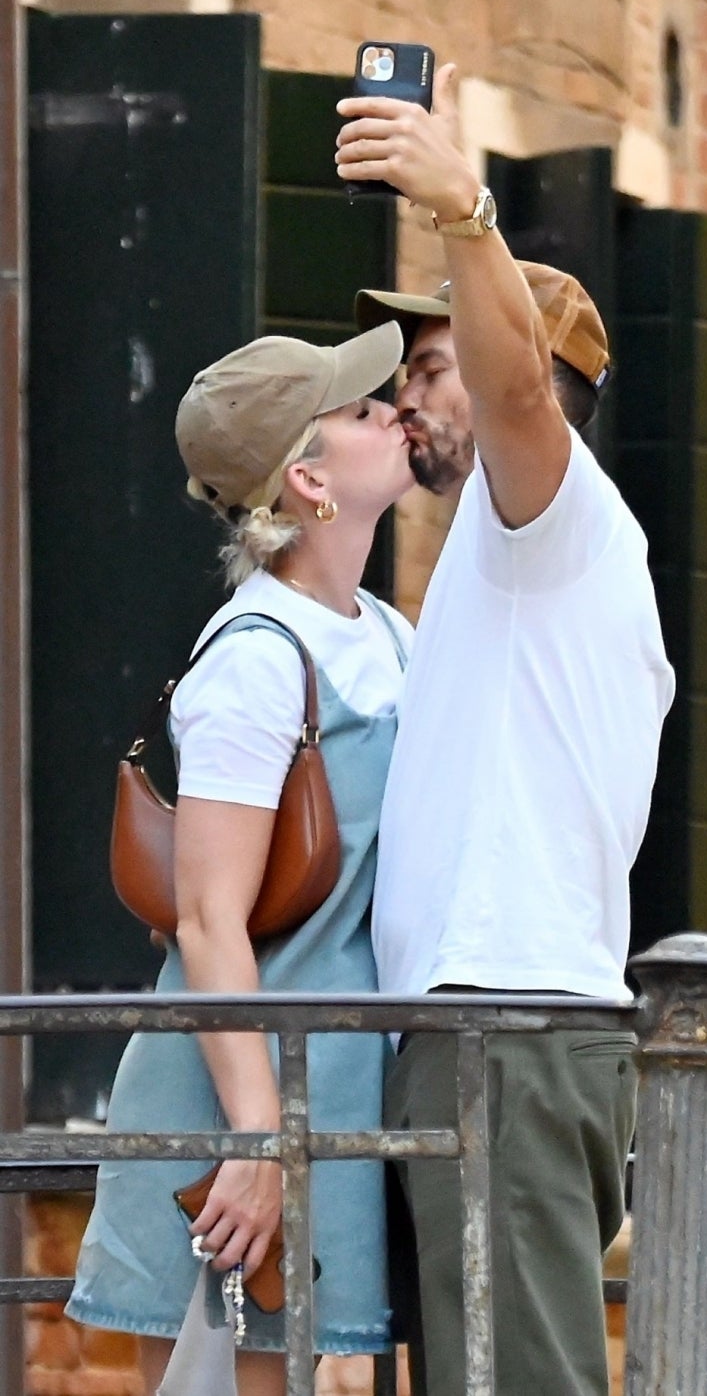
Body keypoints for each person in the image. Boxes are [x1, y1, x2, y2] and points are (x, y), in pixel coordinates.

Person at [336, 66, 676, 1396]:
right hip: (481, 1035)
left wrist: (462, 214)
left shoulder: (550, 516)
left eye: (431, 367)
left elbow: (519, 396)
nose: (407, 399)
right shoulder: (500, 563)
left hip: (511, 1036)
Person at [66, 321, 415, 1396]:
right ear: (309, 478)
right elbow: (208, 918)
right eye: (363, 411)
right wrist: (262, 1142)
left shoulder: (388, 637)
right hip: (232, 1110)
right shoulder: (255, 661)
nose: (395, 413)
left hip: (330, 1095)